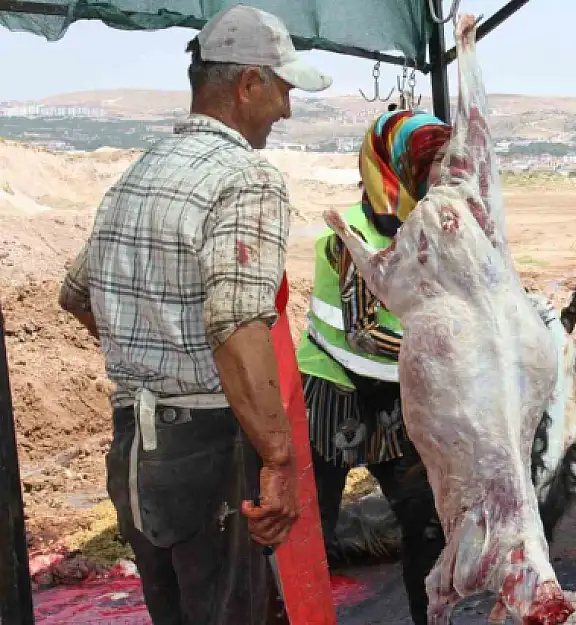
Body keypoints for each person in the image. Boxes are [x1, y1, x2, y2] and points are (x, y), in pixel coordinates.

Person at [57, 5, 331, 623]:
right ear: (248, 84)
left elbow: (76, 294)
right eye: (282, 89)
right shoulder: (246, 177)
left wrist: (154, 352)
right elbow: (237, 325)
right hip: (210, 451)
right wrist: (279, 462)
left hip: (135, 453)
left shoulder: (137, 175)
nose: (286, 109)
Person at [297, 108, 449, 625]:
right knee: (311, 531)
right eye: (432, 165)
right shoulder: (349, 235)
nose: (440, 176)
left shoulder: (425, 228)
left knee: (426, 522)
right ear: (395, 167)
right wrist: (447, 353)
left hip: (393, 393)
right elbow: (362, 333)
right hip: (331, 391)